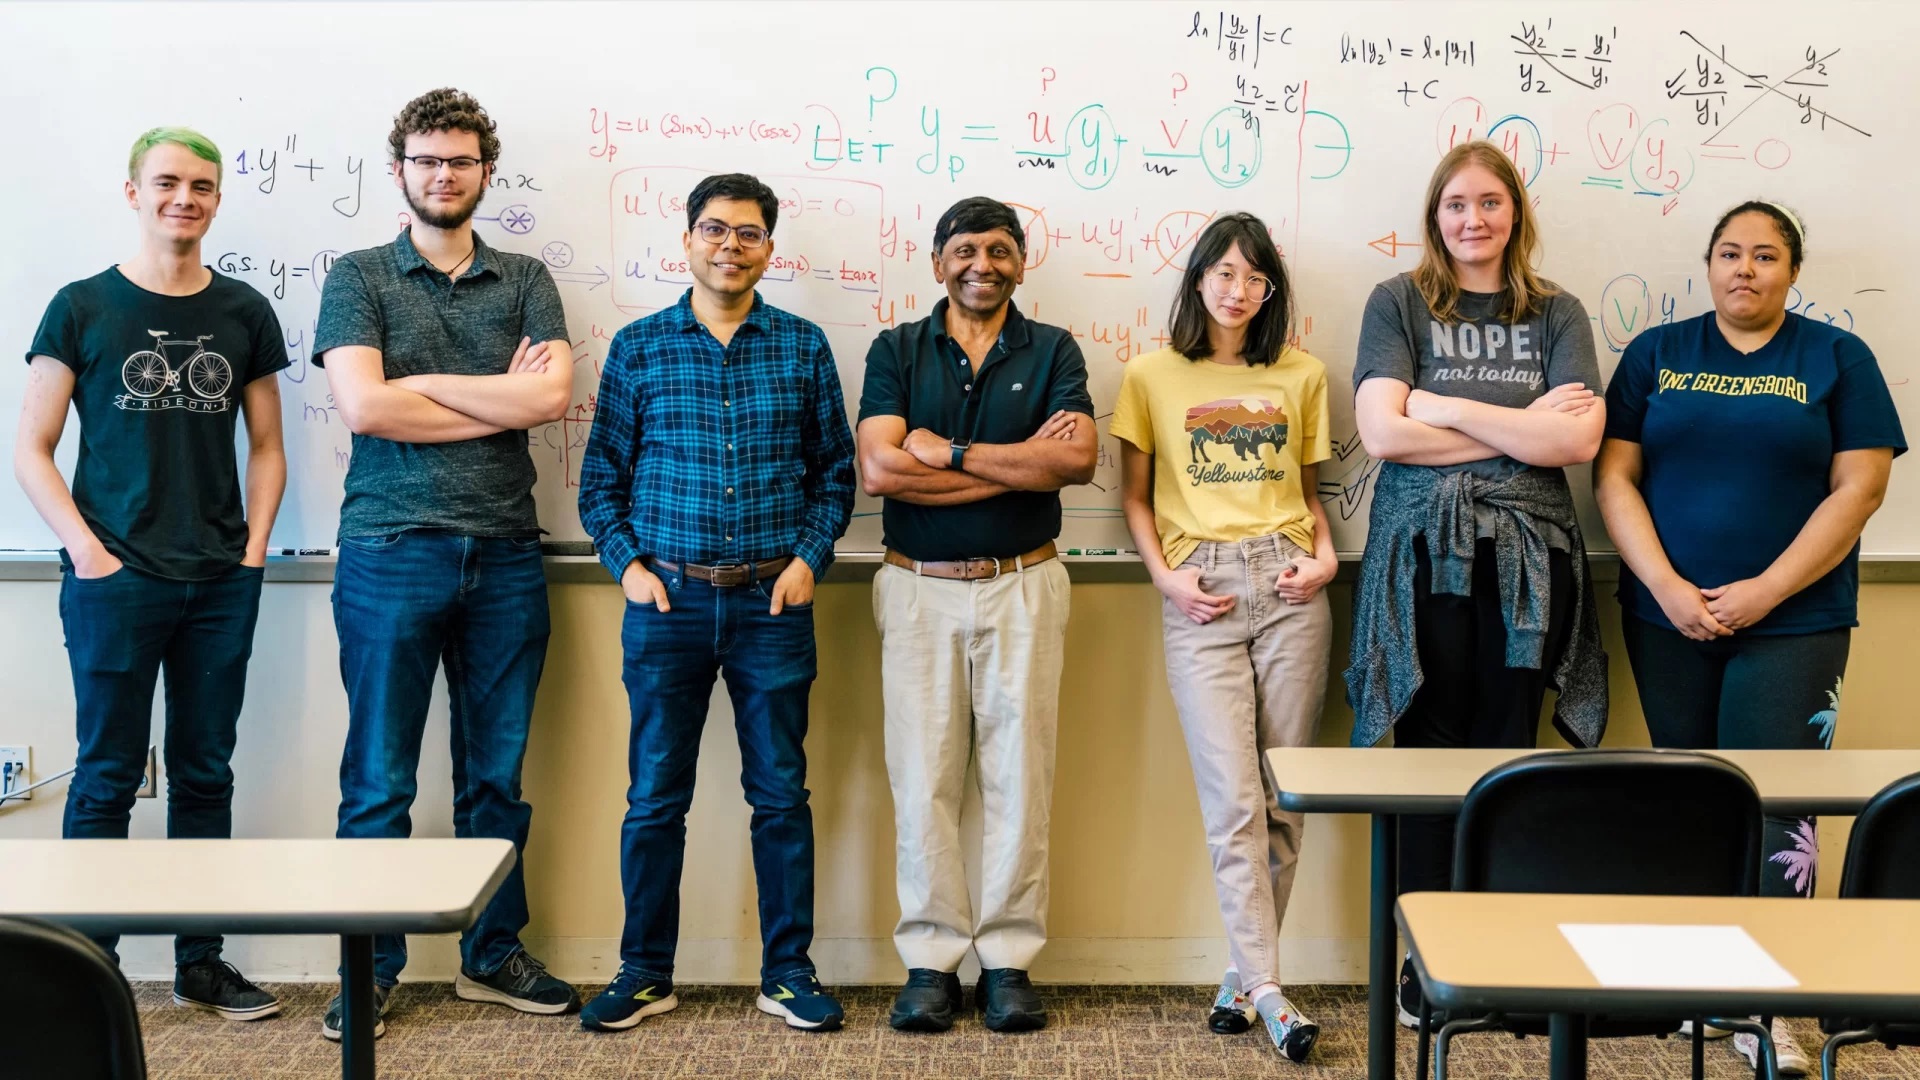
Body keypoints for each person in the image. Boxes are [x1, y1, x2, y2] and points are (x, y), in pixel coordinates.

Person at [1595, 200, 1903, 1075]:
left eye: (1765, 256)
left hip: (1796, 623)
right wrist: (1666, 586)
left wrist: (1766, 590)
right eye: (1730, 254)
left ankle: (1775, 1007)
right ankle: (1706, 993)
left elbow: (1860, 490)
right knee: (1694, 801)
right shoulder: (1657, 355)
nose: (1745, 269)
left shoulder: (1837, 358)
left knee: (1782, 811)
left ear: (1792, 271)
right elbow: (1615, 478)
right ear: (1707, 265)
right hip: (1667, 617)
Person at [314, 88, 576, 1040]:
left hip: (506, 552)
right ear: (400, 171)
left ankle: (491, 953)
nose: (443, 175)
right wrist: (487, 393)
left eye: (460, 161)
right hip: (388, 551)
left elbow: (547, 402)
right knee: (379, 780)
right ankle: (370, 964)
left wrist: (417, 381)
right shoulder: (358, 275)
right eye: (427, 160)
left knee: (495, 778)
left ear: (484, 174)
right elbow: (367, 411)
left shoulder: (526, 279)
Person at [17, 126, 288, 1021]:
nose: (185, 198)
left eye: (202, 185)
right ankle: (85, 974)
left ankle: (199, 963)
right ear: (133, 191)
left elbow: (269, 447)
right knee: (105, 776)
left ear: (217, 199)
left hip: (219, 582)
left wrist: (252, 554)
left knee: (206, 772)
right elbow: (32, 448)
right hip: (114, 579)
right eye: (167, 182)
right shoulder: (82, 306)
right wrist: (88, 552)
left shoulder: (245, 312)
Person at [576, 172, 856, 1034]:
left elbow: (836, 474)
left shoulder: (804, 346)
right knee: (655, 797)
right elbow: (599, 482)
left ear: (770, 248)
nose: (729, 245)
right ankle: (645, 971)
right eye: (713, 229)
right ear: (687, 241)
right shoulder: (639, 347)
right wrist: (629, 567)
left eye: (747, 232)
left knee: (780, 795)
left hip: (775, 603)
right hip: (667, 606)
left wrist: (810, 557)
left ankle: (787, 974)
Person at [1344, 140, 1608, 1027]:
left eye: (1490, 203)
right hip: (1421, 556)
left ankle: (1505, 966)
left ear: (1515, 215)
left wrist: (1445, 407)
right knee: (1429, 758)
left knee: (1511, 755)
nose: (1473, 219)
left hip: (1533, 561)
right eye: (1456, 204)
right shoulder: (1399, 303)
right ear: (1435, 216)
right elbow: (1382, 434)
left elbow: (1573, 444)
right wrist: (1516, 425)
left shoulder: (1560, 311)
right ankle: (1429, 969)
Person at [856, 196, 1096, 1033]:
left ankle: (1007, 961)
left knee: (1017, 776)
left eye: (998, 251)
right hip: (917, 585)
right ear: (936, 263)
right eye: (964, 250)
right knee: (922, 776)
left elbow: (1074, 460)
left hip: (1023, 581)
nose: (980, 265)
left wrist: (950, 453)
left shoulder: (1055, 348)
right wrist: (1019, 465)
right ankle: (930, 958)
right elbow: (882, 471)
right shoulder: (895, 348)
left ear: (1021, 263)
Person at [1110, 212, 1333, 1062]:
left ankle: (1245, 978)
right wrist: (1165, 577)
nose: (1238, 291)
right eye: (1224, 273)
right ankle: (1273, 992)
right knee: (1232, 801)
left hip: (1288, 582)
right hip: (1198, 586)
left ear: (1269, 290)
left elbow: (1311, 494)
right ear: (1198, 278)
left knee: (1284, 797)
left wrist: (1324, 561)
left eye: (1255, 278)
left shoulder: (1301, 374)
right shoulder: (1150, 375)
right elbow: (1136, 495)